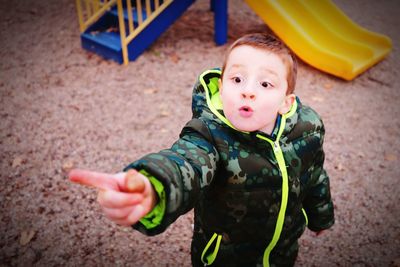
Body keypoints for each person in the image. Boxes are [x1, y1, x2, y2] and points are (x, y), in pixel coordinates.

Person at [69, 33, 334, 267]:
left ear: (286, 103)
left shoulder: (307, 130)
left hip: (282, 251)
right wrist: (152, 186)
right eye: (237, 79)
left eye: (265, 84)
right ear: (221, 86)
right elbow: (186, 164)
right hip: (223, 257)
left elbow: (314, 176)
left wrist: (321, 217)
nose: (248, 92)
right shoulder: (210, 135)